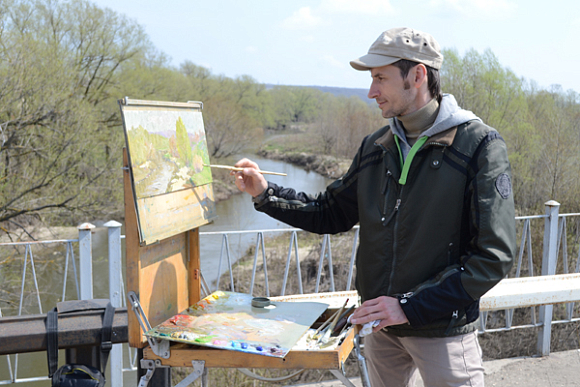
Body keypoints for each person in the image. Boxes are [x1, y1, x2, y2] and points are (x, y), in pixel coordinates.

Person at [233, 27, 516, 387]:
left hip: (442, 331)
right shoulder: (376, 145)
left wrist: (408, 307)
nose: (371, 92)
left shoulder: (479, 145)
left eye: (380, 78)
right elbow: (329, 211)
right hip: (380, 328)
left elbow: (494, 256)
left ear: (417, 76)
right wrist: (265, 193)